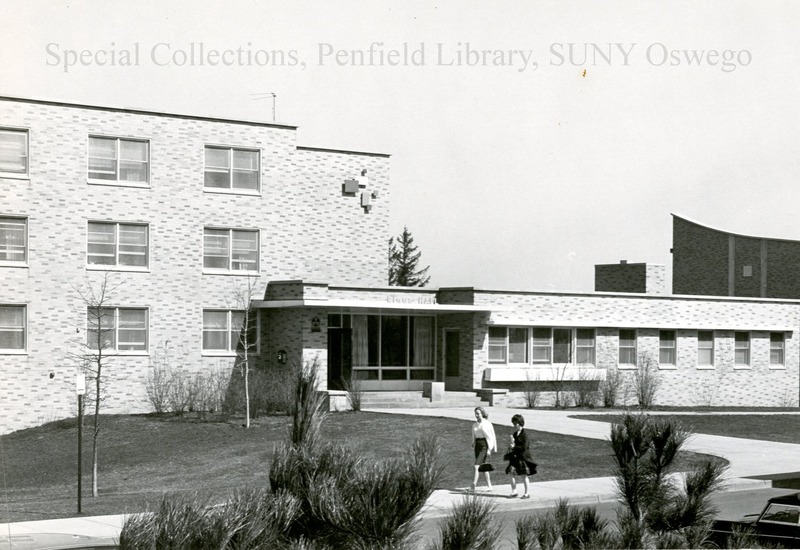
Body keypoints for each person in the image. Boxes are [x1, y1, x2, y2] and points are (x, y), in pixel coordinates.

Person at [505, 414, 536, 499]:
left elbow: (524, 447)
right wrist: (512, 443)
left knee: (524, 475)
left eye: (515, 424)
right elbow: (515, 446)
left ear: (519, 423)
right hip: (515, 457)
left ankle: (527, 493)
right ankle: (514, 491)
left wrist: (514, 447)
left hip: (523, 457)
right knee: (511, 472)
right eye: (513, 424)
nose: (514, 425)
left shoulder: (524, 434)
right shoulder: (515, 434)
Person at [471, 406, 497, 491]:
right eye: (475, 413)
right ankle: (490, 486)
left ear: (482, 414)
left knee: (476, 466)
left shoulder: (487, 423)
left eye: (478, 413)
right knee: (484, 466)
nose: (476, 415)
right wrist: (473, 443)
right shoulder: (474, 424)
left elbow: (491, 437)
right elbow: (473, 435)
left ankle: (473, 486)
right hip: (477, 446)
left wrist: (490, 449)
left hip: (484, 445)